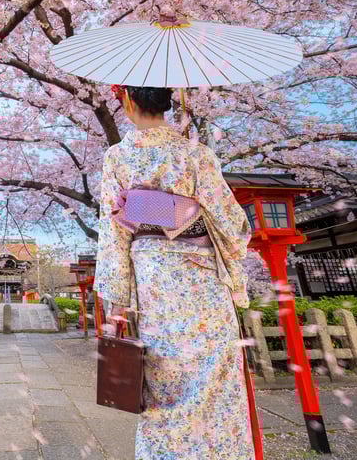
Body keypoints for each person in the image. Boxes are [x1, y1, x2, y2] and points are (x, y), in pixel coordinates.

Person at [93, 85, 254, 459]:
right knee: (215, 390)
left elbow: (112, 232)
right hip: (203, 285)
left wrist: (116, 301)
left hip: (155, 288)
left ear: (128, 101)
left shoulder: (117, 157)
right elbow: (233, 225)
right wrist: (184, 214)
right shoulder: (197, 154)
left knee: (164, 388)